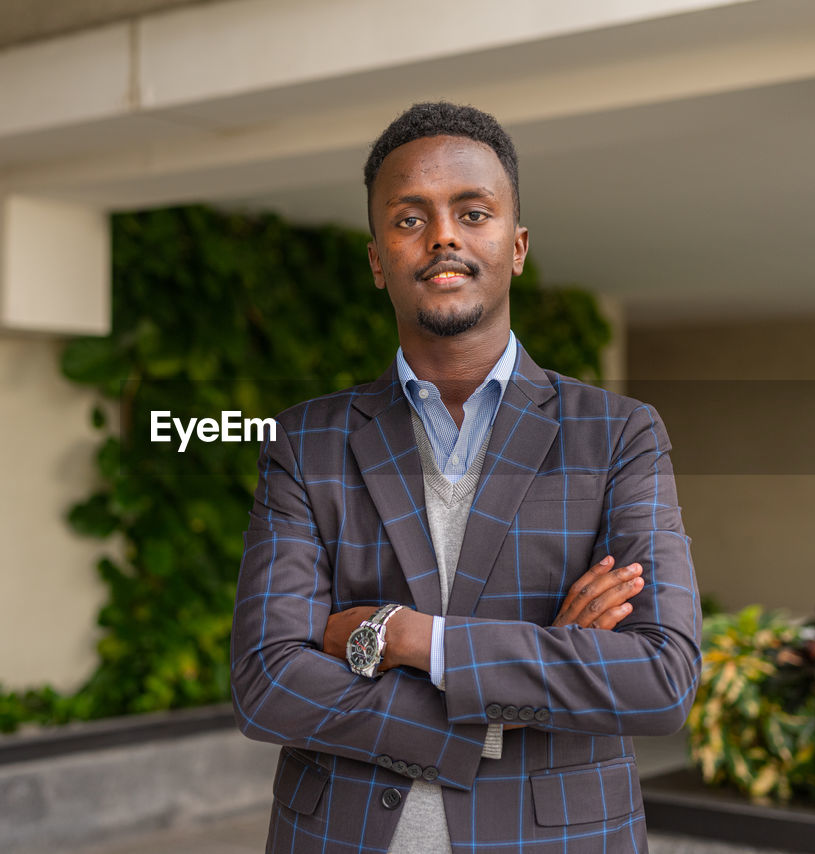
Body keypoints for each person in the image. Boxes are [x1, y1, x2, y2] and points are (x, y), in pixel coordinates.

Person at [230, 102, 701, 854]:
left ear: (515, 247)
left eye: (472, 211)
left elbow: (660, 676)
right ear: (378, 259)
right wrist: (516, 688)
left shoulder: (617, 434)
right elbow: (267, 681)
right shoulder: (306, 442)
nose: (444, 234)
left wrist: (410, 637)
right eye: (410, 218)